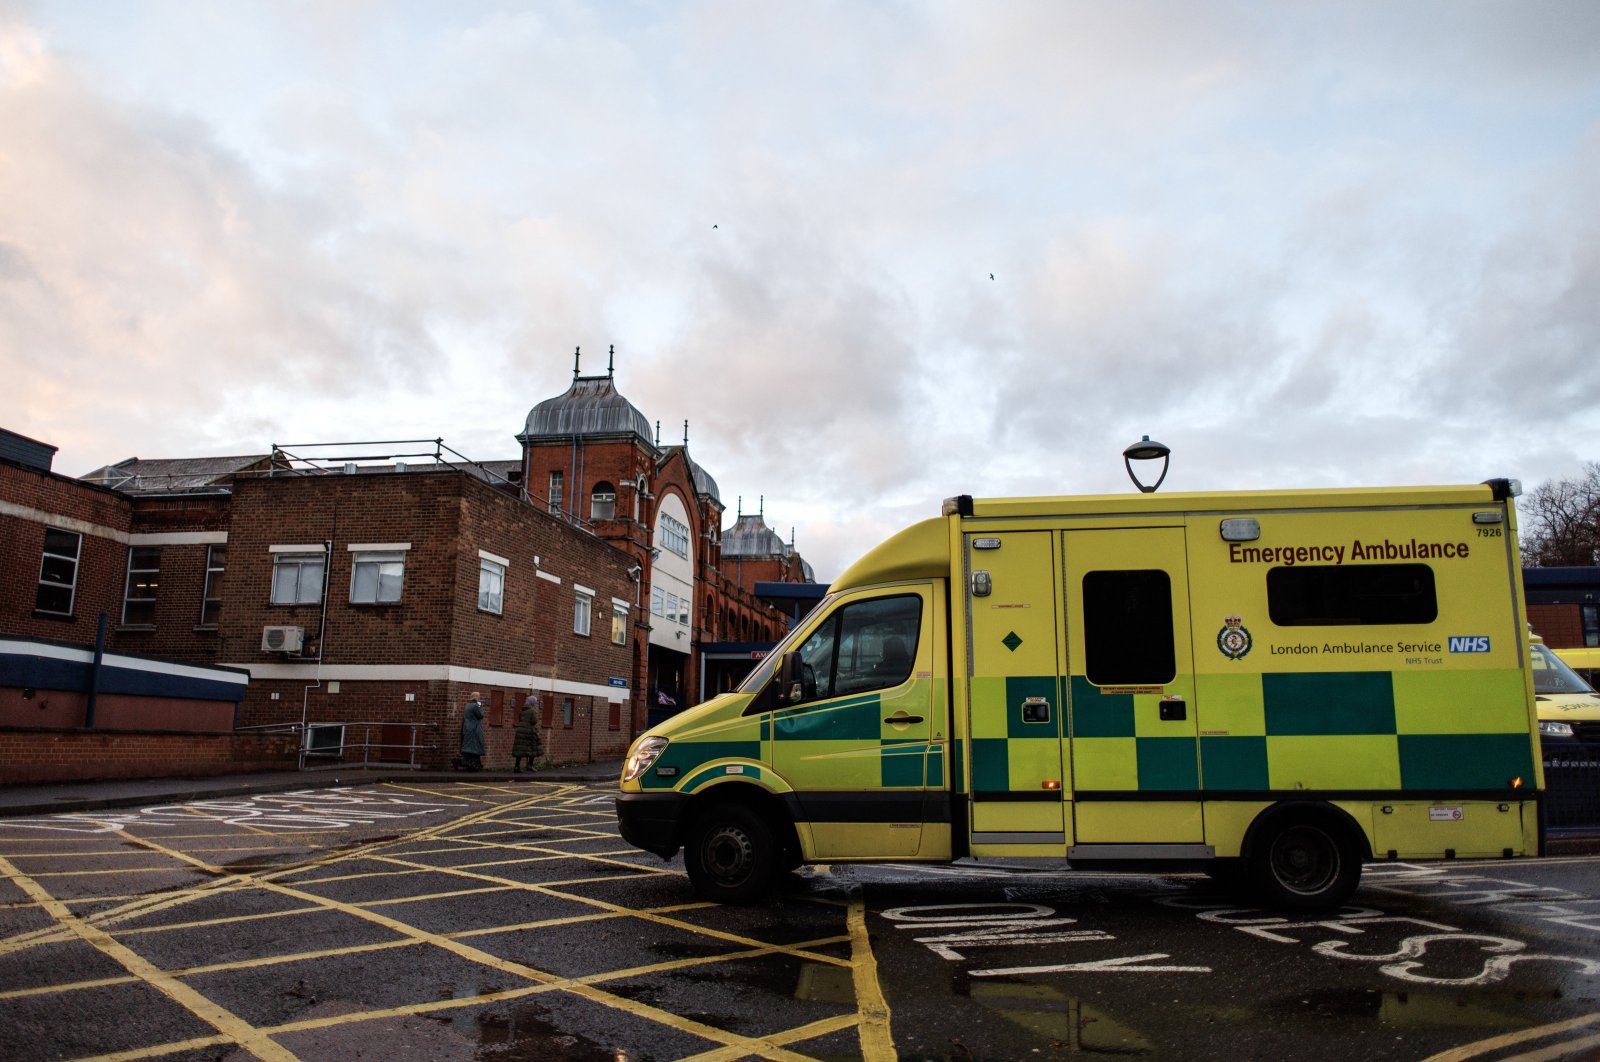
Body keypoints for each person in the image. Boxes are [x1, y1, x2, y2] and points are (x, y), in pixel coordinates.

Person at [452, 691, 486, 771]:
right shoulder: (475, 706)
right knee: (474, 747)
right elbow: (481, 715)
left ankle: (465, 762)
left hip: (467, 727)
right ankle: (467, 763)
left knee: (468, 747)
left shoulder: (467, 705)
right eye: (479, 696)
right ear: (476, 697)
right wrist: (480, 706)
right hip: (474, 728)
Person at [512, 695, 542, 773]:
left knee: (520, 749)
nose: (535, 703)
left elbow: (520, 720)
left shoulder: (522, 710)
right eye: (535, 702)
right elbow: (534, 721)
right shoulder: (532, 711)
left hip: (520, 730)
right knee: (533, 748)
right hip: (529, 731)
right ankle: (530, 765)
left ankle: (516, 766)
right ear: (532, 703)